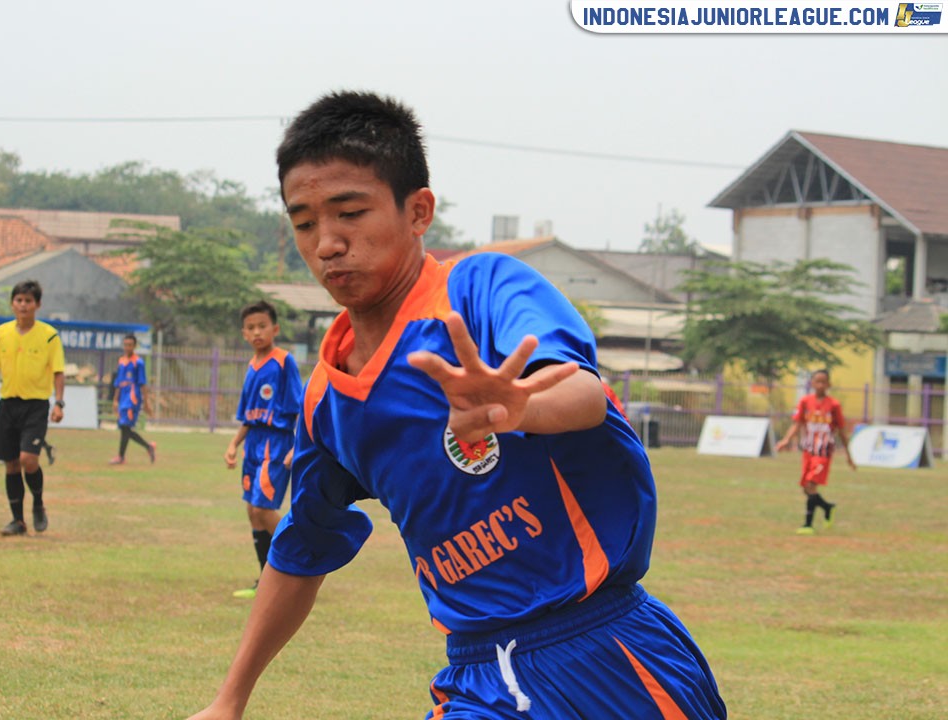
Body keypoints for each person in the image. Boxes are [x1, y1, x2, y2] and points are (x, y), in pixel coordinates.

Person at [187, 91, 725, 720]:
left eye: (350, 213)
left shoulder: (481, 289)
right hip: (479, 676)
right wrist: (230, 699)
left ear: (418, 211)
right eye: (304, 222)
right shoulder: (327, 402)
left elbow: (579, 390)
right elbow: (301, 547)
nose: (327, 243)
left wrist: (520, 407)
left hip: (608, 656)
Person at [223, 301, 303, 600]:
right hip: (254, 444)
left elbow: (300, 409)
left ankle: (303, 558)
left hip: (276, 443)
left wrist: (297, 447)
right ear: (244, 333)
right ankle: (266, 580)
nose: (257, 332)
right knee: (252, 511)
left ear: (275, 329)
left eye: (262, 326)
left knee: (264, 508)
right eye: (251, 328)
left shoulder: (284, 362)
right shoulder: (252, 366)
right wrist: (233, 444)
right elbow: (248, 416)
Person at [0, 280, 65, 536]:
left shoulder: (48, 335)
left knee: (29, 459)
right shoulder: (2, 333)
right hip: (8, 405)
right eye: (19, 300)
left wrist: (58, 402)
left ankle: (38, 503)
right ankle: (18, 521)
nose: (23, 305)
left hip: (35, 405)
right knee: (11, 463)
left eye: (28, 301)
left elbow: (58, 371)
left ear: (37, 305)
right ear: (12, 303)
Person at [775, 369, 856, 535]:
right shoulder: (805, 402)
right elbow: (797, 424)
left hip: (824, 451)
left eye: (823, 381)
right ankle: (827, 507)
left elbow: (842, 431)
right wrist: (786, 440)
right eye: (817, 381)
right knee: (806, 487)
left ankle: (807, 525)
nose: (820, 385)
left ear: (828, 384)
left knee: (811, 484)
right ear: (811, 383)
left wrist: (849, 456)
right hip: (809, 450)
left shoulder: (833, 405)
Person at [110, 333, 156, 465]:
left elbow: (143, 383)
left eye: (130, 345)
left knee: (125, 426)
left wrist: (146, 403)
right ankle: (148, 447)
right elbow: (118, 382)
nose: (127, 347)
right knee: (125, 428)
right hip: (123, 397)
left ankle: (121, 457)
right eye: (125, 345)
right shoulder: (121, 361)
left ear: (134, 346)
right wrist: (115, 400)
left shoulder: (138, 362)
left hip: (133, 397)